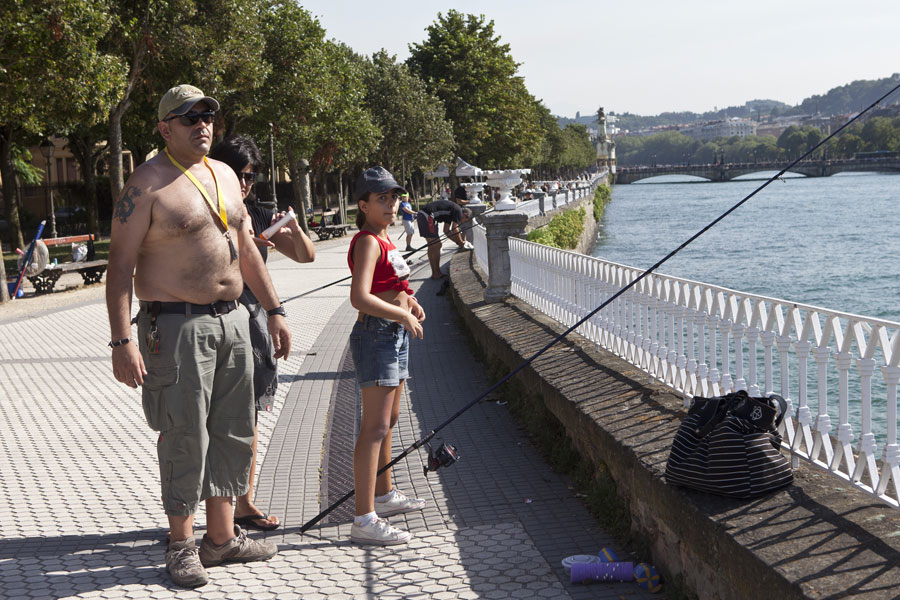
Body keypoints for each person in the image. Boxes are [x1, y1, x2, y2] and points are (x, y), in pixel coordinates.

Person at [106, 84, 289, 588]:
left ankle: (222, 539)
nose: (202, 125)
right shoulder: (146, 184)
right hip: (175, 325)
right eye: (190, 118)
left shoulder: (226, 175)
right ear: (166, 128)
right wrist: (122, 341)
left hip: (233, 319)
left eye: (208, 116)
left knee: (234, 430)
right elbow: (119, 266)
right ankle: (180, 544)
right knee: (186, 434)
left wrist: (274, 309)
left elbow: (247, 247)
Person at [207, 135, 315, 532]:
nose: (245, 182)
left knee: (248, 414)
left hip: (251, 320)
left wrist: (295, 229)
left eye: (251, 175)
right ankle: (193, 515)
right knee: (203, 417)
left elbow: (306, 255)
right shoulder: (204, 208)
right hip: (210, 317)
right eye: (239, 174)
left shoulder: (258, 211)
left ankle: (244, 503)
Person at [347, 166, 427, 546]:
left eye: (394, 197)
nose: (391, 204)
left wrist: (409, 301)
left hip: (393, 334)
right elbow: (360, 298)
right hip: (376, 335)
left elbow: (389, 286)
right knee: (374, 427)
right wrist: (401, 313)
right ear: (362, 205)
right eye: (381, 198)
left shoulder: (386, 239)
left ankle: (384, 494)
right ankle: (364, 518)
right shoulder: (367, 241)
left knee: (390, 419)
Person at [416, 198, 472, 279]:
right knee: (437, 245)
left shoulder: (452, 212)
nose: (462, 222)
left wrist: (457, 242)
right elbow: (455, 228)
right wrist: (461, 243)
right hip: (427, 216)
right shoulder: (458, 211)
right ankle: (436, 273)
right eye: (464, 220)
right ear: (465, 215)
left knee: (432, 246)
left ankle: (435, 273)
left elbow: (446, 231)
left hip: (425, 216)